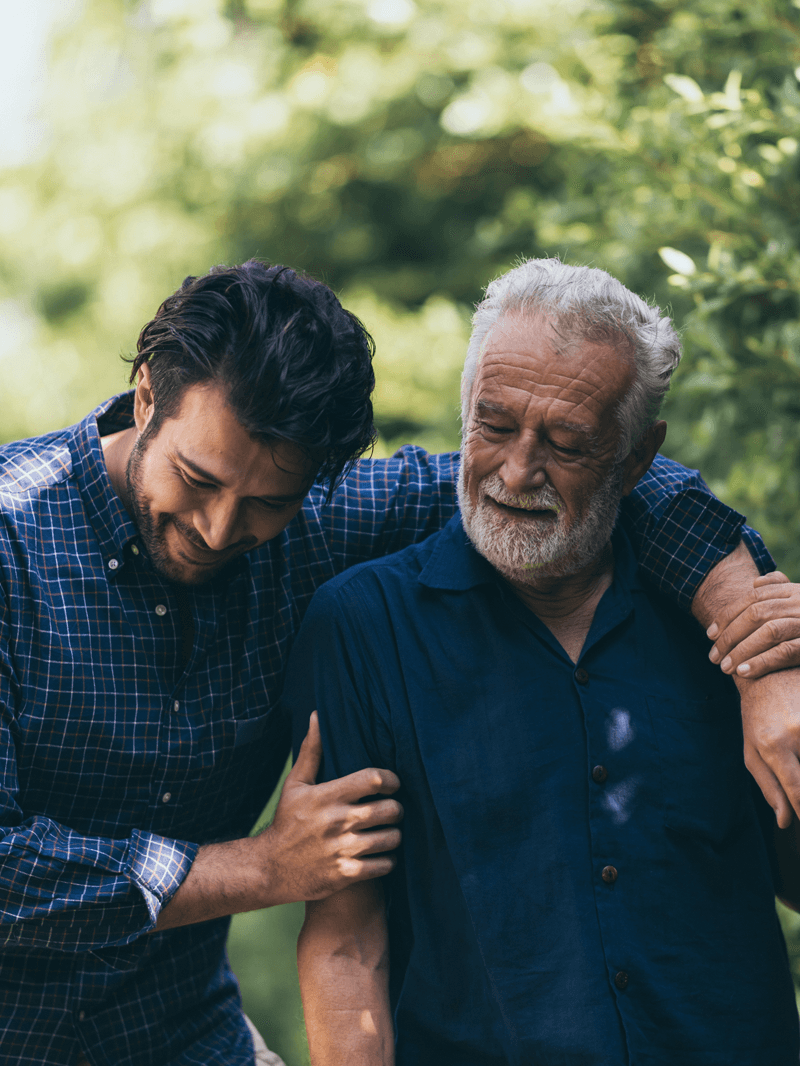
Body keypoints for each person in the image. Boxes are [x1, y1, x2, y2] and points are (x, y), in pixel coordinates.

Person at [0, 258, 795, 1066]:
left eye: (267, 503)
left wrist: (759, 648)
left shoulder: (327, 518)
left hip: (186, 1043)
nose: (216, 527)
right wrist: (263, 868)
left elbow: (599, 481)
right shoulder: (10, 543)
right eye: (195, 479)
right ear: (145, 398)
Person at [288, 259, 800, 1066]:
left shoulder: (727, 617)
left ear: (637, 460)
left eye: (565, 444)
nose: (517, 472)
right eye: (492, 427)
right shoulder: (363, 625)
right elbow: (350, 940)